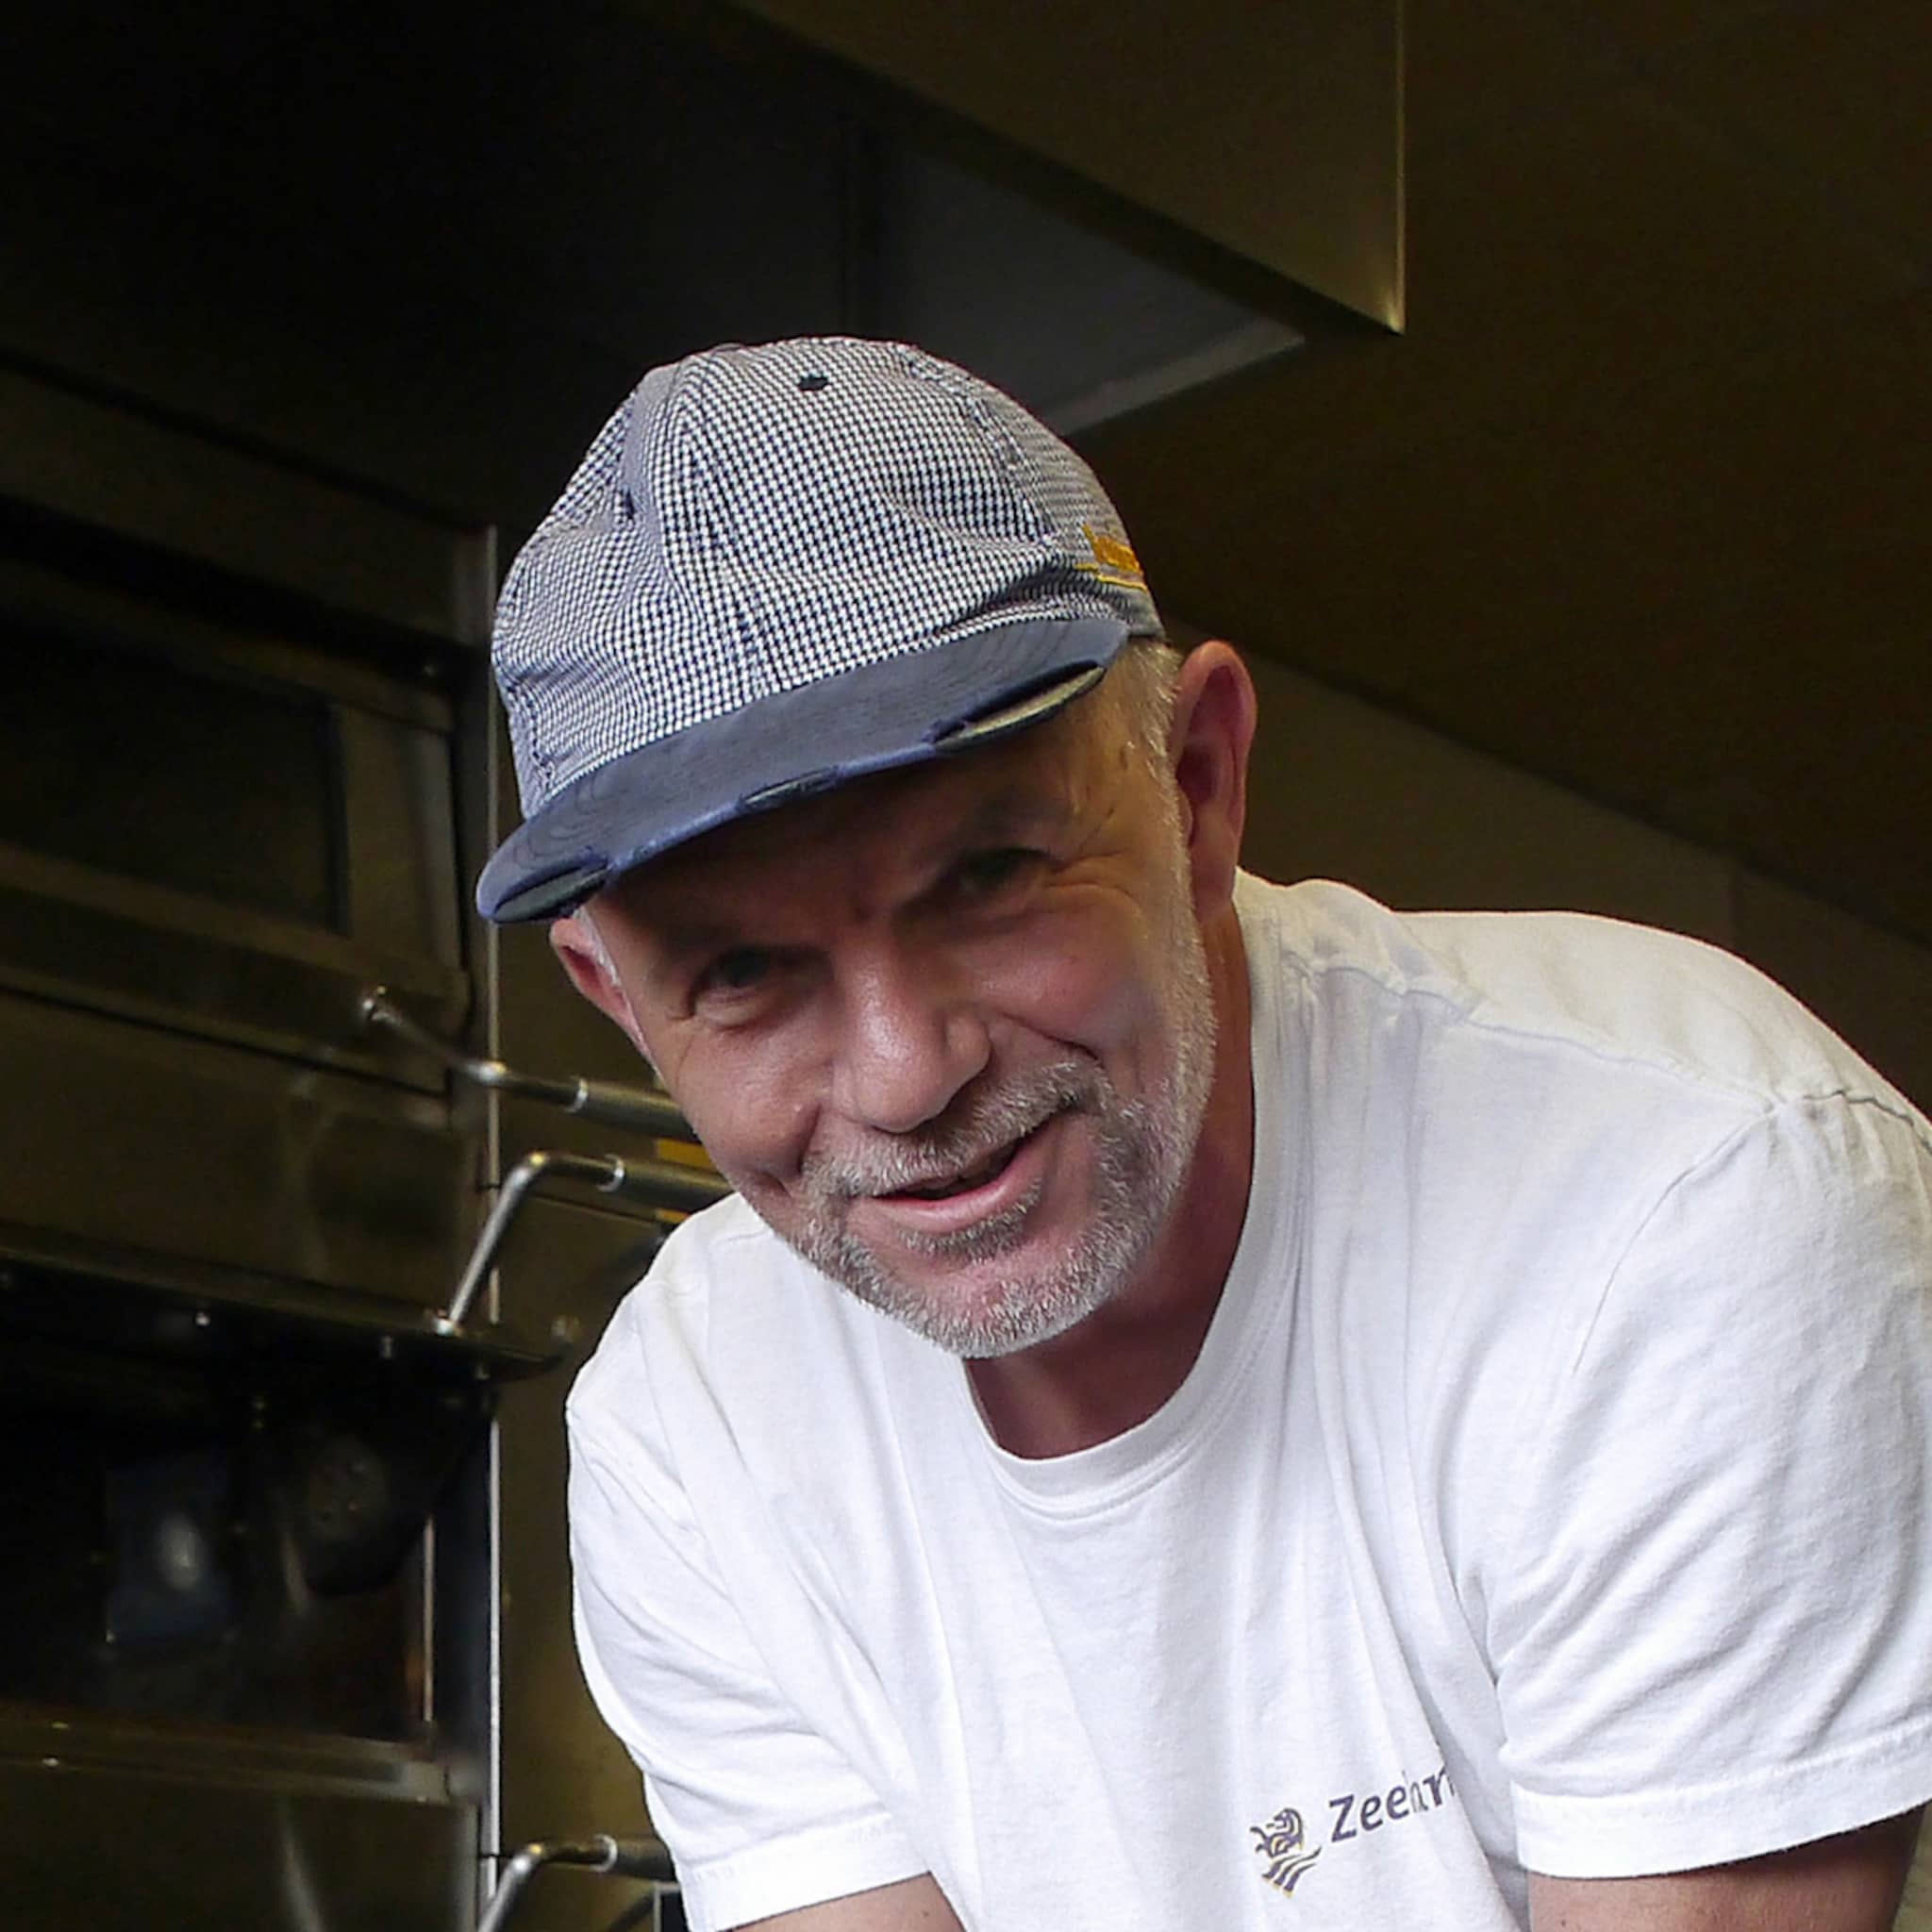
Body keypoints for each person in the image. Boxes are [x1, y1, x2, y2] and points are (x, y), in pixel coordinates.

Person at [475, 337, 1932, 1932]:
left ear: (1197, 781)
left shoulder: (1685, 1200)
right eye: (744, 973)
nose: (903, 1079)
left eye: (990, 877)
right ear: (617, 999)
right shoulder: (694, 1424)